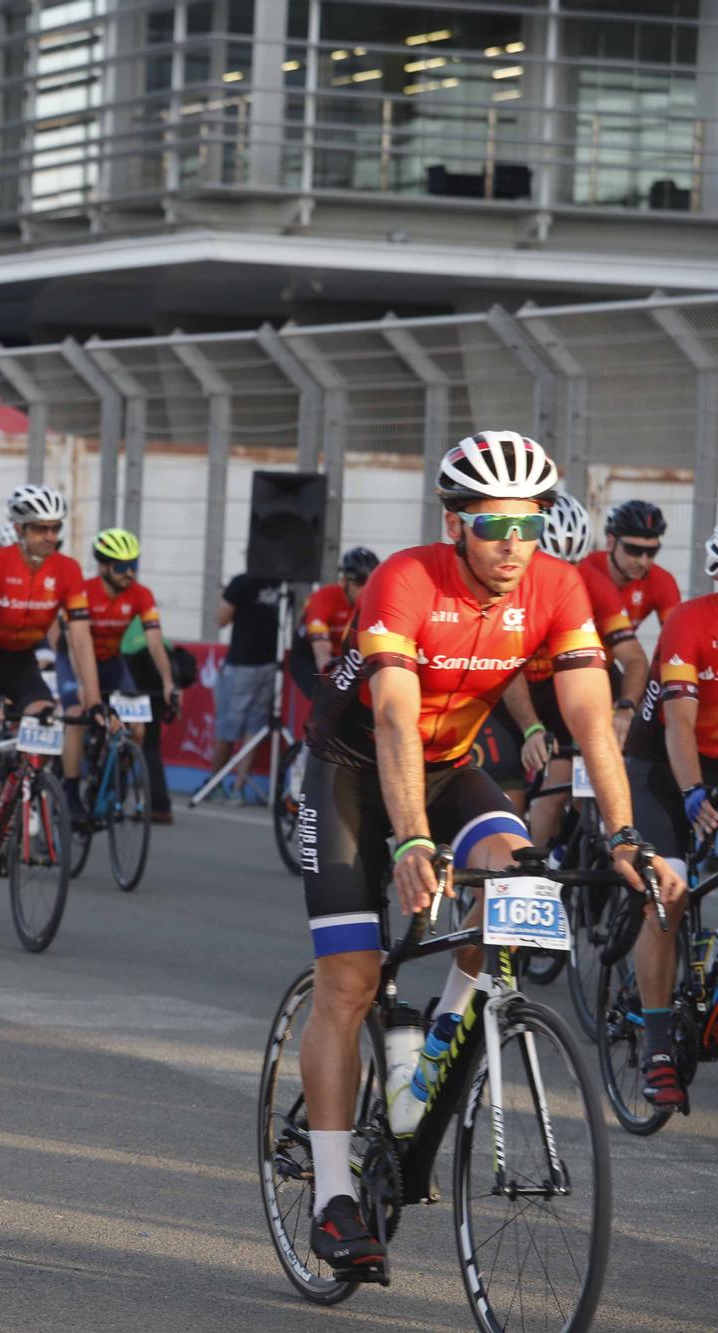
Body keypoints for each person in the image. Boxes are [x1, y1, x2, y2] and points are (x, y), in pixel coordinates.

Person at [294, 430, 682, 1276]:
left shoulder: (555, 584)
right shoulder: (405, 580)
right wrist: (411, 840)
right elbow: (395, 717)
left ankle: (438, 1044)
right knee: (353, 978)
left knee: (521, 881)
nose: (513, 544)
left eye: (530, 524)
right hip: (354, 777)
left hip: (455, 769)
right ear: (454, 521)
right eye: (493, 524)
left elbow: (591, 719)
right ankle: (331, 1198)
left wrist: (623, 833)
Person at [0, 485, 104, 914]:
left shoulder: (67, 571)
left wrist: (94, 700)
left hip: (21, 663)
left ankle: (26, 790)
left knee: (46, 716)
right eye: (39, 529)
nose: (49, 537)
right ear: (18, 528)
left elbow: (81, 640)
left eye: (54, 529)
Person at [620, 525, 718, 1111]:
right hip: (661, 763)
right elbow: (680, 725)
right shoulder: (690, 621)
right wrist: (693, 795)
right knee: (671, 888)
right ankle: (657, 1044)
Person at [500, 493, 644, 849]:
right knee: (510, 811)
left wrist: (625, 708)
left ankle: (565, 852)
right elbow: (506, 669)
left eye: (572, 565)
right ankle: (522, 871)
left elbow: (634, 659)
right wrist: (531, 727)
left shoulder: (588, 583)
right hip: (508, 684)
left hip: (558, 685)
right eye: (548, 563)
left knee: (566, 777)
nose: (559, 577)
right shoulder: (509, 582)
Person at [67, 528, 179, 822]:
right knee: (77, 715)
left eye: (134, 565)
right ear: (103, 566)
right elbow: (74, 642)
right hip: (76, 659)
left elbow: (155, 641)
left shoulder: (141, 595)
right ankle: (69, 791)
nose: (129, 572)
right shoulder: (83, 591)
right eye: (120, 566)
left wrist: (168, 682)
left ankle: (110, 783)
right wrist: (81, 682)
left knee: (138, 728)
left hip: (111, 663)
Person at [582, 499, 679, 738]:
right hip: (565, 668)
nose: (643, 560)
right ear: (611, 541)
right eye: (634, 550)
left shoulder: (661, 582)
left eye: (651, 552)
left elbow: (676, 644)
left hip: (607, 664)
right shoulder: (586, 570)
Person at [207, 567, 285, 801]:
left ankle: (215, 783)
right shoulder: (281, 583)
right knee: (254, 727)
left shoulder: (241, 582)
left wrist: (222, 596)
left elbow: (221, 620)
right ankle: (238, 789)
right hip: (270, 663)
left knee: (228, 728)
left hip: (242, 664)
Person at [294, 548, 378, 692]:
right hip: (311, 654)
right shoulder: (323, 599)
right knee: (323, 693)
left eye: (372, 582)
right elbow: (322, 653)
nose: (366, 589)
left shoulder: (378, 602)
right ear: (344, 581)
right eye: (360, 581)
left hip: (348, 655)